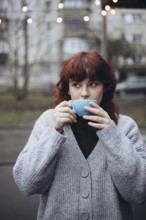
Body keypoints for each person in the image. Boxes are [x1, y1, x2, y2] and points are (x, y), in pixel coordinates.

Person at [13, 51, 146, 220]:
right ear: (67, 89)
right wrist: (54, 132)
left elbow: (138, 191)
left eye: (93, 84)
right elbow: (27, 183)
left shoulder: (125, 127)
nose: (84, 93)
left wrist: (111, 134)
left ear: (105, 87)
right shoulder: (48, 121)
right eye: (76, 84)